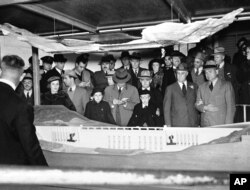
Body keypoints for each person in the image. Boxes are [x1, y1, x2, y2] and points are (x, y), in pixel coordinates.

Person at [0, 55, 47, 165]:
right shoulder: (21, 106)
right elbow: (30, 145)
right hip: (11, 171)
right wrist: (46, 173)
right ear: (21, 77)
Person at [195, 60, 236, 127]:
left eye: (210, 71)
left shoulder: (226, 85)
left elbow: (231, 108)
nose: (207, 74)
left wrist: (228, 126)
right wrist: (204, 107)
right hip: (205, 123)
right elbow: (197, 104)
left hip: (220, 124)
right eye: (206, 72)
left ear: (216, 71)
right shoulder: (201, 87)